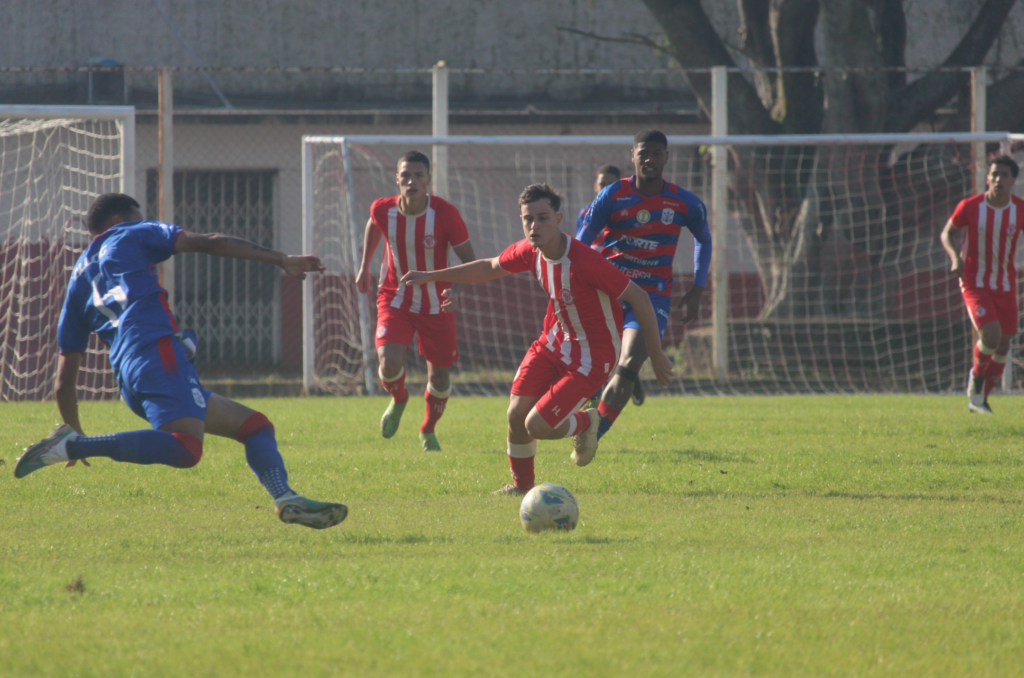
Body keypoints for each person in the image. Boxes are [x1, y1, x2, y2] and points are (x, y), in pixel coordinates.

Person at [14, 193, 348, 530]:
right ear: (117, 222)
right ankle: (72, 446)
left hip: (130, 377)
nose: (140, 222)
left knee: (255, 426)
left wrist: (73, 424)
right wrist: (281, 259)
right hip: (157, 354)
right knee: (188, 450)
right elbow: (210, 242)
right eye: (136, 217)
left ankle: (285, 496)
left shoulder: (77, 282)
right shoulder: (130, 233)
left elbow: (63, 381)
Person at [401, 184, 673, 495]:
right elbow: (489, 266)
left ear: (559, 219)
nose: (534, 225)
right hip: (553, 343)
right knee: (516, 415)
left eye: (543, 218)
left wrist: (656, 353)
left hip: (593, 357)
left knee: (538, 426)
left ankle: (588, 422)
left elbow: (639, 297)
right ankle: (521, 488)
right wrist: (432, 275)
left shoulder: (586, 262)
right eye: (528, 219)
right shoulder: (530, 251)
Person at [576, 130, 711, 440]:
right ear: (632, 157)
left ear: (666, 158)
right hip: (608, 291)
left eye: (656, 154)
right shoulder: (611, 195)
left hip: (652, 296)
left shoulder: (682, 201)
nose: (649, 159)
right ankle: (581, 414)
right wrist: (573, 278)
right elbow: (582, 241)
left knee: (630, 362)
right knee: (592, 363)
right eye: (643, 153)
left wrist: (697, 288)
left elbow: (703, 237)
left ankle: (595, 433)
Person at [355, 151, 477, 451]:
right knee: (389, 361)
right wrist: (364, 267)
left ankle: (428, 429)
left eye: (418, 176)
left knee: (440, 375)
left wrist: (455, 292)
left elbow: (470, 261)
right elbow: (374, 223)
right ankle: (398, 398)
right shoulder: (383, 210)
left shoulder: (445, 214)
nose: (412, 181)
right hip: (395, 297)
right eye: (405, 176)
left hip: (436, 304)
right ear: (396, 179)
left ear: (428, 180)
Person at [940, 155, 1024, 414]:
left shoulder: (1019, 209)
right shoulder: (971, 206)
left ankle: (979, 400)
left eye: (1004, 175)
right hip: (974, 282)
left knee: (1004, 344)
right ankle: (976, 378)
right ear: (987, 177)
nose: (998, 179)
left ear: (1013, 180)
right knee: (991, 335)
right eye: (994, 174)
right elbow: (947, 233)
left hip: (1005, 284)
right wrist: (955, 258)